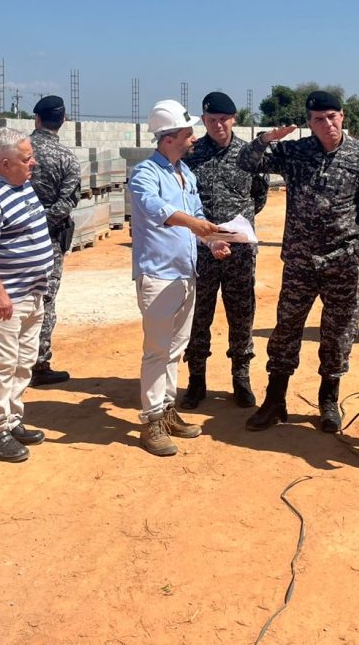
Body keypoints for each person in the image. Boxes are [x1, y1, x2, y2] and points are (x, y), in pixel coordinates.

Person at [238, 91, 359, 434]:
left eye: (333, 117)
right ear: (309, 124)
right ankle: (275, 400)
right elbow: (246, 163)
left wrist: (356, 251)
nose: (328, 125)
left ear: (343, 117)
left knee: (337, 334)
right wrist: (266, 139)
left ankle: (328, 400)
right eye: (319, 120)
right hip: (299, 262)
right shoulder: (296, 152)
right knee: (286, 330)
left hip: (341, 265)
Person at [128, 99, 226, 456]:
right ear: (168, 137)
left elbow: (196, 213)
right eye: (187, 134)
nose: (193, 139)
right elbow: (157, 210)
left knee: (175, 349)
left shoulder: (185, 173)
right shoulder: (145, 174)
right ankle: (152, 420)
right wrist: (194, 224)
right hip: (158, 276)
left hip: (186, 273)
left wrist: (212, 240)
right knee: (156, 351)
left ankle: (167, 409)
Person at [0, 127, 55, 463]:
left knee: (23, 361)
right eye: (25, 158)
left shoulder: (22, 185)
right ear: (5, 163)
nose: (33, 162)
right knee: (3, 365)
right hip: (4, 301)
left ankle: (13, 419)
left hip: (31, 293)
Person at [181, 91, 269, 410]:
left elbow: (259, 196)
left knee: (242, 313)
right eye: (212, 120)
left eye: (224, 119)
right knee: (198, 314)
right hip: (201, 249)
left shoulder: (250, 155)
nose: (218, 125)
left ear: (234, 119)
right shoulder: (191, 154)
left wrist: (237, 227)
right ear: (203, 120)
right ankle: (196, 380)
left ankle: (241, 378)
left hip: (239, 251)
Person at [28, 95, 82, 387]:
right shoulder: (67, 158)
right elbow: (66, 205)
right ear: (62, 121)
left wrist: (22, 226)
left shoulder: (16, 150)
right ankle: (38, 364)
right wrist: (40, 225)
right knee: (45, 300)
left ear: (36, 119)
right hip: (48, 240)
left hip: (13, 240)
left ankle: (13, 361)